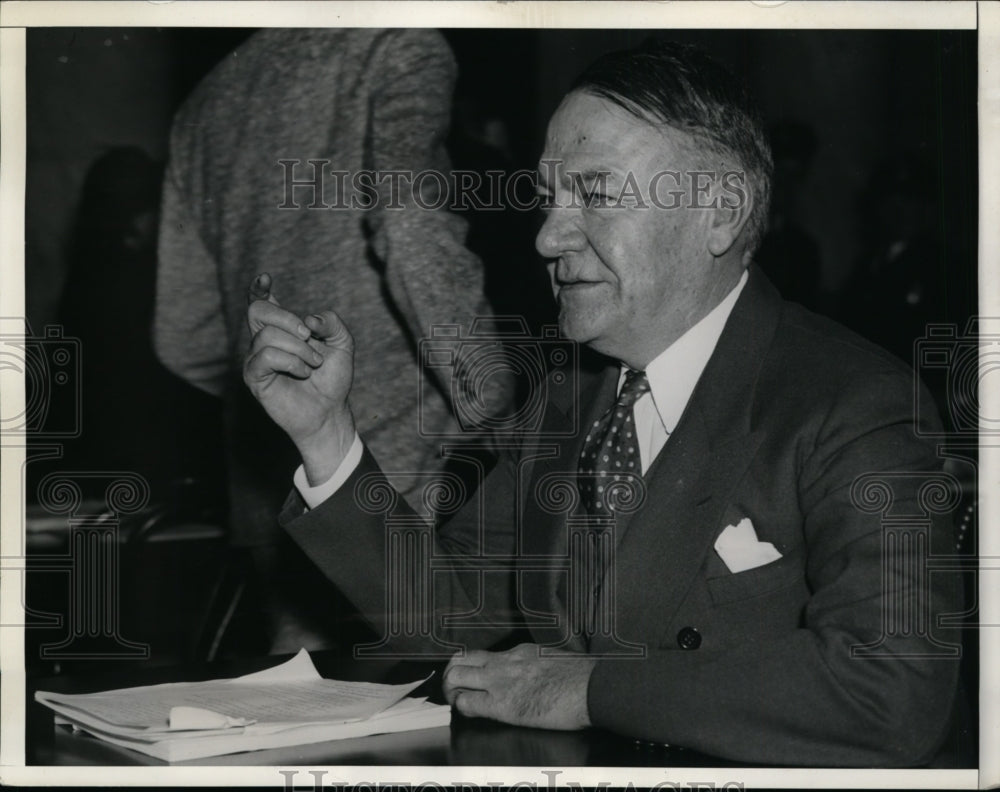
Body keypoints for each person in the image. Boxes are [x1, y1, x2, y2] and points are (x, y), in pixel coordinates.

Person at [242, 41, 962, 765]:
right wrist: (328, 436)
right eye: (550, 198)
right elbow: (445, 619)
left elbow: (891, 693)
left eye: (597, 193)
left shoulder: (858, 405)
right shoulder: (569, 398)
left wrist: (590, 689)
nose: (549, 237)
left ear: (721, 212)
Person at [154, 28, 508, 652]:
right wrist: (491, 397)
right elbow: (407, 219)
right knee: (430, 706)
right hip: (396, 466)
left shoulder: (206, 99)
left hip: (269, 482)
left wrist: (274, 403)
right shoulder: (397, 46)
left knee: (301, 712)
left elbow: (181, 333)